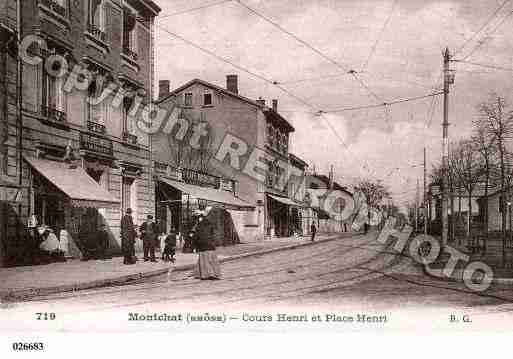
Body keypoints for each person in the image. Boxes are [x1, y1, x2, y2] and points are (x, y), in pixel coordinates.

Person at [192, 208, 221, 280]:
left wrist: (194, 245)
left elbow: (197, 236)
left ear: (199, 217)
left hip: (203, 245)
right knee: (210, 260)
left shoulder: (199, 225)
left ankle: (208, 275)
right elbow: (214, 234)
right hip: (210, 245)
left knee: (204, 260)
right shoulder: (209, 223)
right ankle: (203, 274)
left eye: (196, 218)